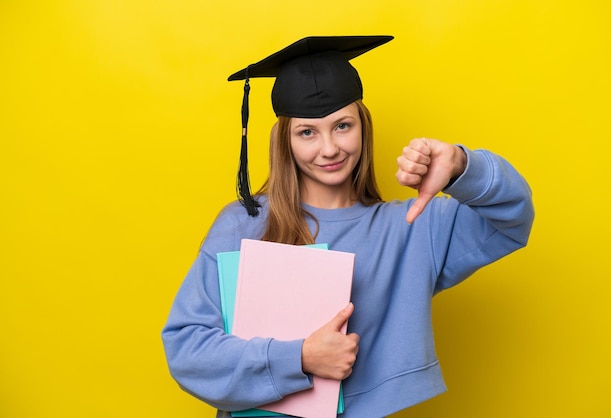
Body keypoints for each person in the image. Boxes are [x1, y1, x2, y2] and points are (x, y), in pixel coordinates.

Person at [161, 35, 534, 417]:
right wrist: (300, 357)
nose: (329, 149)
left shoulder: (412, 227)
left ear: (363, 126)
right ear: (284, 142)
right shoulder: (244, 224)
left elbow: (512, 219)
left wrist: (459, 165)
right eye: (307, 132)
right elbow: (188, 349)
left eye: (342, 126)